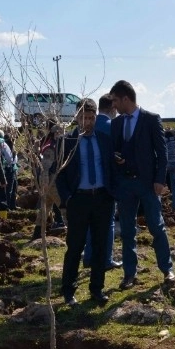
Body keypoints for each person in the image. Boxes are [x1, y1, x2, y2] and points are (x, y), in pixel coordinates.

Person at [109, 79, 175, 288]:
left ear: (125, 98)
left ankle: (167, 270)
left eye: (115, 101)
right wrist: (116, 158)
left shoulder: (151, 119)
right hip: (126, 185)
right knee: (128, 230)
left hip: (148, 184)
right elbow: (114, 149)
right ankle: (130, 274)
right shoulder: (117, 123)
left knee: (156, 226)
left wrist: (160, 180)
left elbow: (162, 153)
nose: (114, 106)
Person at [57, 98, 116, 305]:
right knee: (75, 246)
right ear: (77, 117)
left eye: (91, 118)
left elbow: (111, 168)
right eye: (84, 118)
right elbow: (60, 174)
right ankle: (68, 290)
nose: (88, 122)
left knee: (100, 246)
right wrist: (68, 198)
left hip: (102, 198)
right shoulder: (66, 142)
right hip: (78, 200)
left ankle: (97, 289)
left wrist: (112, 193)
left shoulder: (104, 140)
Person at [82, 94, 120, 271]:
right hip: (106, 183)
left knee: (90, 222)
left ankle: (89, 257)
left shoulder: (87, 126)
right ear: (112, 108)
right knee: (108, 223)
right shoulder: (112, 126)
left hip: (87, 185)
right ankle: (106, 258)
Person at [164, 127, 175, 212]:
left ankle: (158, 208)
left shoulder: (164, 139)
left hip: (166, 164)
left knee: (159, 186)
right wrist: (174, 131)